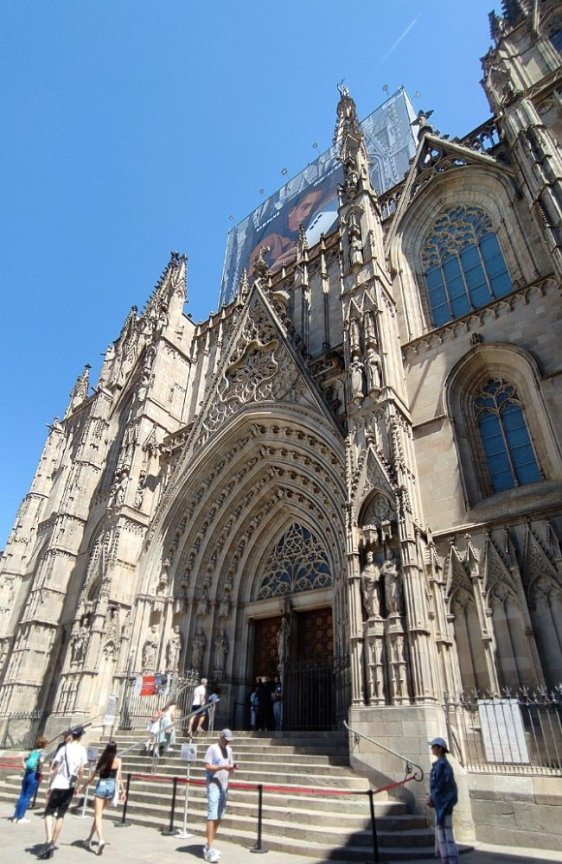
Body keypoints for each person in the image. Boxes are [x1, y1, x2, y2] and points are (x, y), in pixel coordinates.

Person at [39, 725, 88, 859]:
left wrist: (50, 786)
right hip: (70, 786)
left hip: (59, 784)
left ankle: (48, 839)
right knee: (60, 815)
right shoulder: (82, 750)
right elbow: (82, 771)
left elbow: (54, 768)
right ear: (81, 736)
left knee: (48, 812)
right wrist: (78, 785)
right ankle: (53, 842)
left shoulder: (64, 748)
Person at [80, 741, 125, 854]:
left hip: (102, 786)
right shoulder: (118, 761)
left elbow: (92, 777)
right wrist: (123, 791)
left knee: (98, 815)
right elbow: (119, 777)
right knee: (98, 815)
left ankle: (100, 839)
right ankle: (89, 839)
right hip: (111, 787)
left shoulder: (102, 760)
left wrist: (83, 786)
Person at [203, 729, 237, 863]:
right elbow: (207, 766)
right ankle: (210, 848)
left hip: (224, 785)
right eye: (226, 739)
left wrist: (232, 768)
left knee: (219, 815)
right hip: (213, 785)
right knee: (212, 814)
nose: (227, 742)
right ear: (221, 737)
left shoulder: (229, 750)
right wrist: (220, 768)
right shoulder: (212, 748)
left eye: (229, 740)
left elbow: (229, 765)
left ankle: (209, 843)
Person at [427, 737, 459, 864]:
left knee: (446, 835)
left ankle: (451, 860)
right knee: (442, 835)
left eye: (434, 746)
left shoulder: (442, 765)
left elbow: (441, 786)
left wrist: (434, 798)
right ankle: (446, 860)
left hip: (443, 805)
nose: (432, 749)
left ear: (440, 748)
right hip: (440, 804)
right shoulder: (440, 764)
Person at [12, 735, 48, 823]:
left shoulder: (33, 751)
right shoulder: (42, 752)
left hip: (27, 773)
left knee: (22, 795)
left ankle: (16, 816)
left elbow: (23, 759)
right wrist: (41, 772)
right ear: (44, 744)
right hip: (34, 774)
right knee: (27, 796)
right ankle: (21, 817)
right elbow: (41, 762)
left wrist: (25, 767)